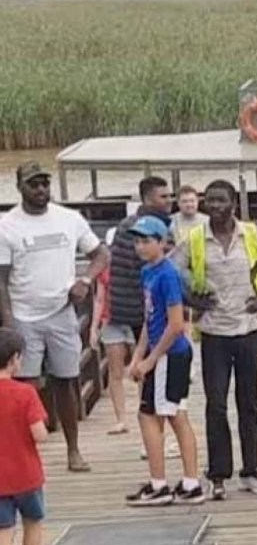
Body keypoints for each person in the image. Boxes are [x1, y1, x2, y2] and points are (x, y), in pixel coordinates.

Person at [172, 179, 257, 500]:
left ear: (233, 203)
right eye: (209, 200)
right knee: (216, 405)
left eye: (221, 200)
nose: (214, 206)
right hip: (213, 332)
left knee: (248, 405)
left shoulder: (254, 235)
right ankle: (219, 474)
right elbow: (169, 273)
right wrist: (192, 301)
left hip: (250, 330)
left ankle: (251, 470)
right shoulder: (195, 239)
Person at [0, 162, 108, 474]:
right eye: (33, 185)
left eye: (45, 184)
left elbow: (101, 254)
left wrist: (85, 281)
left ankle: (73, 450)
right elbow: (2, 280)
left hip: (62, 311)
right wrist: (8, 322)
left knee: (66, 379)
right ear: (20, 187)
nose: (41, 190)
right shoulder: (8, 226)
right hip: (24, 314)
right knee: (26, 385)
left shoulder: (68, 219)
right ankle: (28, 450)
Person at [125, 217, 202, 507]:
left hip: (171, 354)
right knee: (173, 413)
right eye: (138, 241)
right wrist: (138, 356)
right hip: (159, 352)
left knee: (151, 415)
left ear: (162, 243)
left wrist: (152, 360)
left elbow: (175, 324)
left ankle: (159, 484)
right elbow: (149, 319)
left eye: (147, 240)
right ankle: (190, 483)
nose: (141, 246)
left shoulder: (168, 274)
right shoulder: (148, 272)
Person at [96, 176, 173, 437]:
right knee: (147, 374)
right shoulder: (136, 230)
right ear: (148, 198)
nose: (168, 201)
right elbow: (127, 274)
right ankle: (149, 430)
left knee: (150, 376)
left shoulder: (160, 226)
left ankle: (153, 433)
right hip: (138, 313)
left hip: (146, 311)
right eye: (163, 196)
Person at [0, 327, 49, 545]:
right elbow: (40, 434)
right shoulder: (25, 393)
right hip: (27, 474)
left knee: (3, 533)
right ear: (15, 359)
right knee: (33, 523)